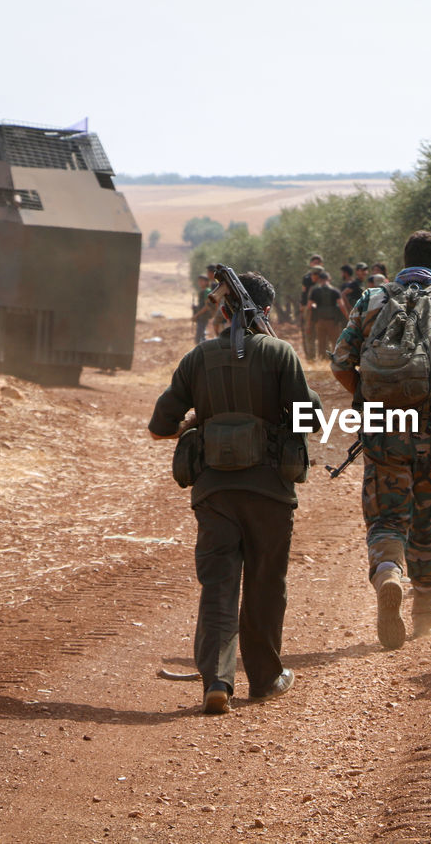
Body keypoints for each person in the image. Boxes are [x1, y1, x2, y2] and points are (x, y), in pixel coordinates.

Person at [148, 270, 321, 713]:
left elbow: (160, 426)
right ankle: (264, 680)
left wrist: (196, 425)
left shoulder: (198, 357)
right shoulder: (280, 354)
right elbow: (309, 420)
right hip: (270, 494)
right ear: (264, 312)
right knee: (265, 584)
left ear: (223, 312)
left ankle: (217, 683)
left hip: (214, 494)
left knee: (218, 586)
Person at [331, 230, 431, 649]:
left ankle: (387, 573)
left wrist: (371, 399)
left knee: (387, 515)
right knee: (428, 518)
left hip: (385, 429)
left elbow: (341, 363)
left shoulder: (372, 300)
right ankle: (426, 610)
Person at [308, 269, 345, 359]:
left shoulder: (315, 291)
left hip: (320, 321)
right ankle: (336, 359)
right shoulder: (335, 291)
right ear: (329, 279)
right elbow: (341, 305)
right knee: (335, 341)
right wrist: (347, 316)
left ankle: (322, 359)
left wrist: (315, 308)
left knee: (321, 342)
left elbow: (309, 306)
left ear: (320, 280)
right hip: (333, 321)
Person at [299, 254, 324, 358]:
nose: (316, 264)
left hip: (321, 308)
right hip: (308, 306)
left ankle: (322, 355)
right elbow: (304, 293)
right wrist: (302, 306)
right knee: (308, 330)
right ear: (310, 264)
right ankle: (310, 356)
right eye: (314, 262)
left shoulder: (324, 277)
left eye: (318, 263)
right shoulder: (307, 277)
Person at [191, 272, 214, 344]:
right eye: (199, 281)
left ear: (206, 282)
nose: (199, 283)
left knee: (199, 339)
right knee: (201, 336)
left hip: (203, 316)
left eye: (201, 281)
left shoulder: (207, 291)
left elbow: (207, 306)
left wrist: (196, 315)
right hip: (201, 316)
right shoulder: (203, 291)